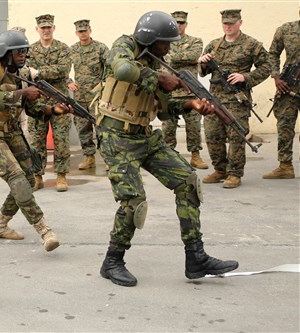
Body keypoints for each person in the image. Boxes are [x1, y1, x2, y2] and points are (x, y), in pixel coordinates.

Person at [96, 11, 239, 287]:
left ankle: (195, 257)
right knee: (134, 201)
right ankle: (112, 261)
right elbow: (123, 70)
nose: (170, 48)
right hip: (116, 136)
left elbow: (163, 111)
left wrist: (190, 105)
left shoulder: (158, 63)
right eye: (166, 42)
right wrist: (160, 79)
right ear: (151, 38)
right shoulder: (124, 46)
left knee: (187, 181)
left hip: (145, 135)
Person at [0, 30, 71, 251]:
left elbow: (33, 109)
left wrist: (53, 109)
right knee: (16, 178)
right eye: (18, 52)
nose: (23, 55)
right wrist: (23, 93)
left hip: (11, 130)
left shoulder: (25, 72)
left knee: (28, 178)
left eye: (25, 51)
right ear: (4, 53)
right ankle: (44, 230)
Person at [198, 9, 271, 188]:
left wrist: (245, 77)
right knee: (212, 135)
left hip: (237, 99)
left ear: (240, 22)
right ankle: (220, 170)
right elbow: (202, 72)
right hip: (214, 98)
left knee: (236, 136)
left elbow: (267, 67)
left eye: (232, 23)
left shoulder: (252, 44)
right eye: (225, 23)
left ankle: (234, 174)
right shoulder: (214, 45)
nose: (228, 26)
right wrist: (202, 63)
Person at [26, 14, 72, 192]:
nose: (46, 30)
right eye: (42, 27)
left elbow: (63, 70)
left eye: (48, 27)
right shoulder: (30, 50)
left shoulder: (63, 48)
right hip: (36, 101)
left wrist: (38, 72)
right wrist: (38, 73)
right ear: (37, 29)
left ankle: (61, 176)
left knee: (61, 139)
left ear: (53, 28)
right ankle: (37, 176)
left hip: (60, 101)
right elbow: (26, 72)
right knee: (36, 140)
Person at [161, 11, 208, 169]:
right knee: (168, 127)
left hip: (190, 91)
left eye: (181, 22)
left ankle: (195, 156)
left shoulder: (196, 41)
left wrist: (174, 56)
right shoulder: (163, 42)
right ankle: (169, 157)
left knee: (194, 127)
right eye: (176, 22)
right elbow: (167, 58)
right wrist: (185, 58)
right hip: (170, 92)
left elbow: (194, 55)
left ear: (186, 24)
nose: (178, 25)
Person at [67, 19, 109, 170]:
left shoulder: (100, 48)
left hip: (97, 98)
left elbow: (110, 67)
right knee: (83, 128)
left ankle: (107, 158)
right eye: (80, 31)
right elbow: (63, 68)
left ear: (90, 30)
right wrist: (68, 81)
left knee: (101, 128)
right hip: (80, 97)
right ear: (76, 33)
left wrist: (103, 85)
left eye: (85, 30)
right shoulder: (72, 50)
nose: (83, 34)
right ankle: (89, 157)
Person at [262, 17, 299, 179]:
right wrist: (276, 76)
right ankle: (285, 166)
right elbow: (273, 53)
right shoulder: (286, 29)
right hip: (288, 85)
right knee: (285, 125)